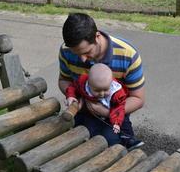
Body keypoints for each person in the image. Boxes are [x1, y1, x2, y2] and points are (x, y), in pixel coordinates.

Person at [59, 12, 145, 150]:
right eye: (77, 54)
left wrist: (107, 112)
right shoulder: (66, 50)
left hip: (114, 114)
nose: (82, 59)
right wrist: (73, 97)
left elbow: (138, 98)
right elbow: (64, 80)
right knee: (70, 142)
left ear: (97, 36)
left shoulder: (128, 54)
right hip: (82, 110)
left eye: (87, 52)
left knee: (111, 144)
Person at [65, 63, 129, 143]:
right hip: (91, 114)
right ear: (89, 83)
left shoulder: (117, 93)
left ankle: (127, 140)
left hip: (112, 116)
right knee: (89, 130)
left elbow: (119, 108)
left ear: (111, 83)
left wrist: (116, 122)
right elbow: (73, 87)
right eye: (97, 90)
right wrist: (71, 96)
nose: (102, 94)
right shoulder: (83, 83)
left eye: (105, 90)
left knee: (112, 137)